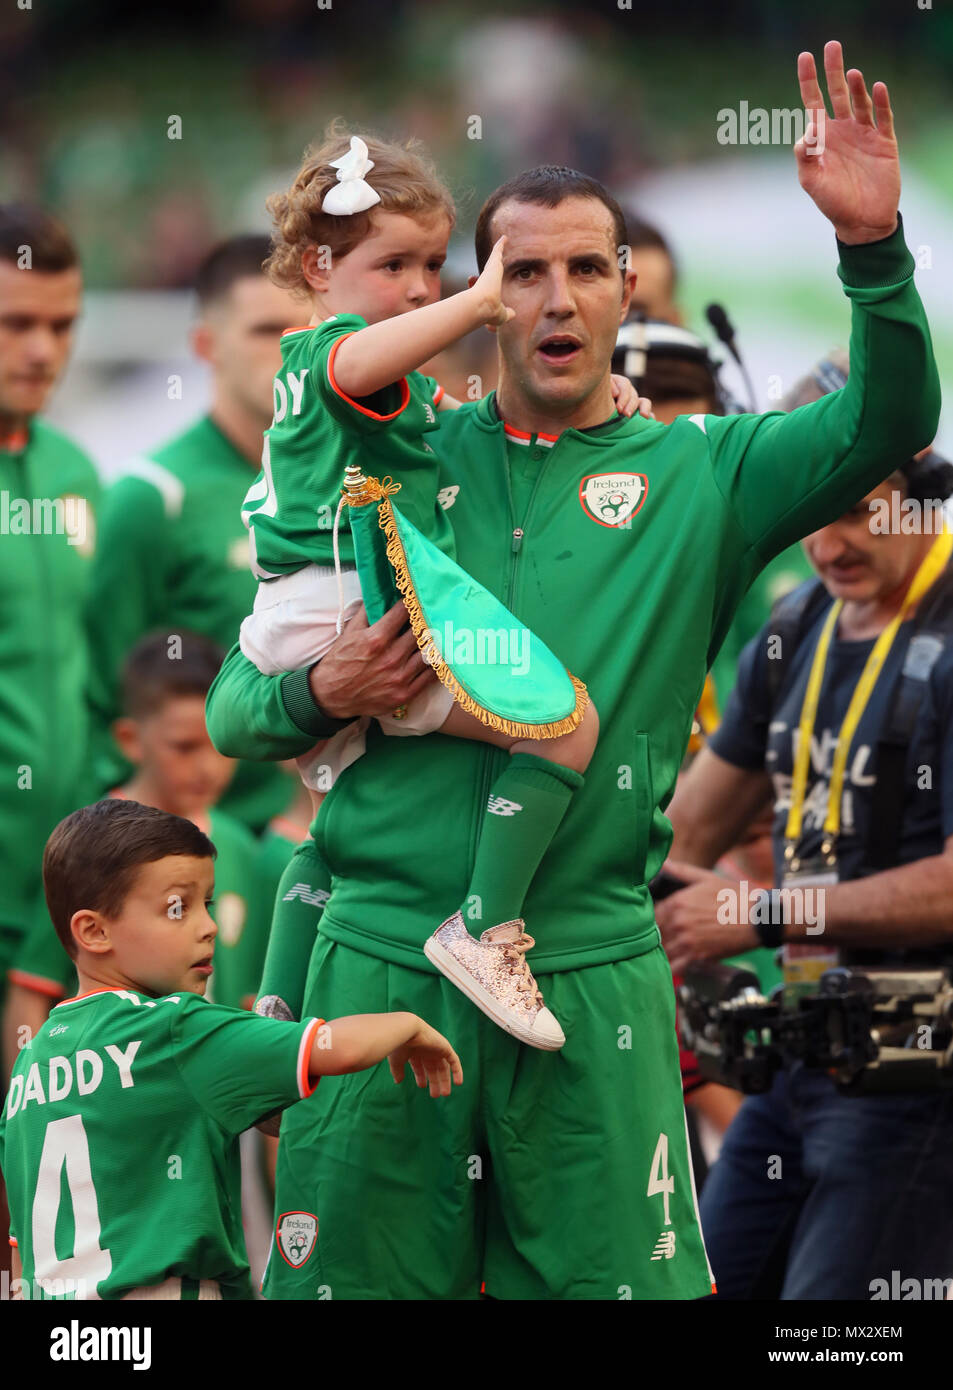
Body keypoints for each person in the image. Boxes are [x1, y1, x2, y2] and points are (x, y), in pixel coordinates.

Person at [206, 42, 940, 1300]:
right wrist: (326, 692)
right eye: (522, 271)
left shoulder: (706, 474)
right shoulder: (401, 459)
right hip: (381, 965)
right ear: (480, 294)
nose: (555, 299)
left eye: (584, 270)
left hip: (580, 971)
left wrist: (870, 252)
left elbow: (887, 420)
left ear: (623, 294)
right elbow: (234, 707)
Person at [240, 127, 645, 1049]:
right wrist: (474, 306)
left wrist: (608, 401)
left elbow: (459, 420)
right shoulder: (324, 353)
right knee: (565, 723)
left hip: (309, 615)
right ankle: (486, 925)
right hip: (339, 609)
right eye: (394, 264)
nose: (422, 288)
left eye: (433, 263)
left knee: (332, 820)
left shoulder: (399, 384)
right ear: (316, 263)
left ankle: (272, 1003)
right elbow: (360, 367)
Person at [658, 447, 953, 1299]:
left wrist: (763, 914)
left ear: (923, 504)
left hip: (918, 1067)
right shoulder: (796, 626)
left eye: (860, 511)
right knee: (699, 1287)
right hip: (798, 1059)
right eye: (811, 514)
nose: (828, 542)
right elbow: (681, 833)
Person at [0, 797, 461, 1300]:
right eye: (178, 908)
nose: (209, 926)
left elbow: (20, 1248)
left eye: (208, 904)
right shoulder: (173, 1028)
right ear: (94, 930)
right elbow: (335, 1048)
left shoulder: (30, 1063)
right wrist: (408, 1024)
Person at [85, 235, 303, 835]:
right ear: (206, 345)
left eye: (303, 329)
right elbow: (107, 700)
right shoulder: (152, 497)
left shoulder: (347, 483)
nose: (289, 349)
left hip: (325, 837)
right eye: (265, 331)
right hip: (204, 852)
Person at [2, 631, 269, 1069]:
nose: (208, 767)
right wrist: (28, 1117)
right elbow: (32, 988)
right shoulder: (90, 846)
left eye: (222, 746)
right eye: (184, 747)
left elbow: (251, 1004)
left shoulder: (239, 847)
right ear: (129, 739)